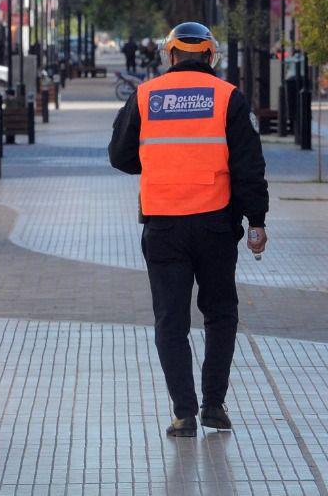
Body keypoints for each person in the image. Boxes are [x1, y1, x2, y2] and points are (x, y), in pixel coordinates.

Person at [108, 21, 269, 438]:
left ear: (171, 54)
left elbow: (120, 155)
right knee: (220, 314)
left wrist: (160, 164)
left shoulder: (145, 96)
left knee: (171, 321)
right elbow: (249, 166)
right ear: (210, 56)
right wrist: (257, 221)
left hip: (163, 226)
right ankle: (214, 403)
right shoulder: (228, 97)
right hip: (216, 224)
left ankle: (184, 413)